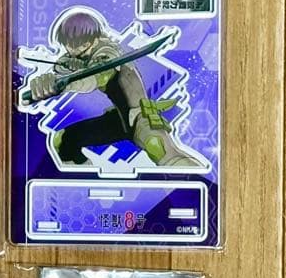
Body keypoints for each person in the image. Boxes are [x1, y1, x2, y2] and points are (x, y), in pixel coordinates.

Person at [26, 9, 199, 167]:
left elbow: (94, 78)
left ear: (94, 39)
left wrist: (63, 84)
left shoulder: (107, 52)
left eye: (80, 44)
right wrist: (57, 76)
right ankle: (85, 180)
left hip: (141, 118)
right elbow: (62, 66)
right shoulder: (77, 56)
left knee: (161, 150)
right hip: (119, 120)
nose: (74, 49)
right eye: (70, 44)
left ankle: (201, 181)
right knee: (65, 141)